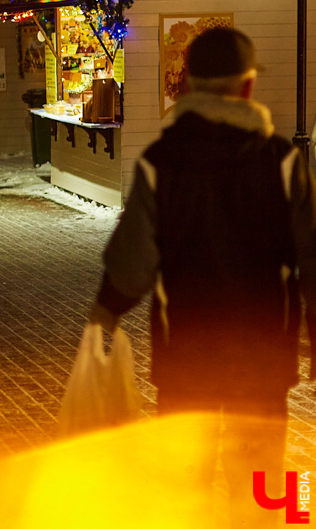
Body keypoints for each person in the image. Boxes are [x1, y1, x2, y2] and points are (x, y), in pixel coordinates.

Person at [87, 27, 316, 528]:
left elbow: (134, 260)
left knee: (184, 482)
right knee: (261, 485)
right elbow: (311, 256)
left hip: (186, 355)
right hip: (262, 357)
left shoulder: (160, 164)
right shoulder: (284, 162)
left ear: (186, 86)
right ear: (248, 87)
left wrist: (105, 311)